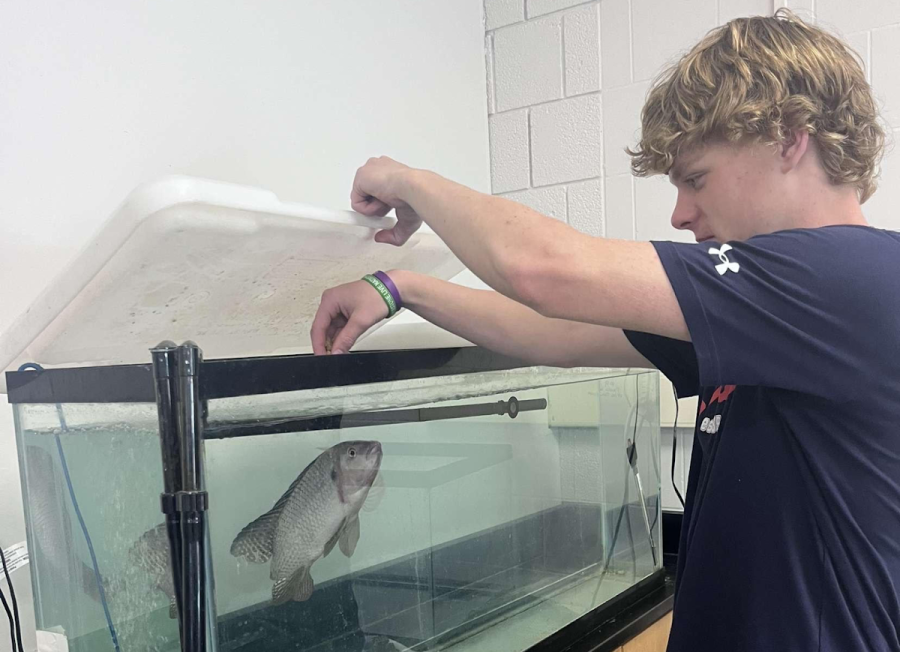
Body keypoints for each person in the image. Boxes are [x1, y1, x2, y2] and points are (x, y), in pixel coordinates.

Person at [310, 10, 900, 652]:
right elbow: (550, 331)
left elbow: (545, 271)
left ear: (790, 138)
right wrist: (403, 287)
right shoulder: (773, 308)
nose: (680, 214)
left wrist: (405, 181)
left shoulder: (854, 279)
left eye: (695, 179)